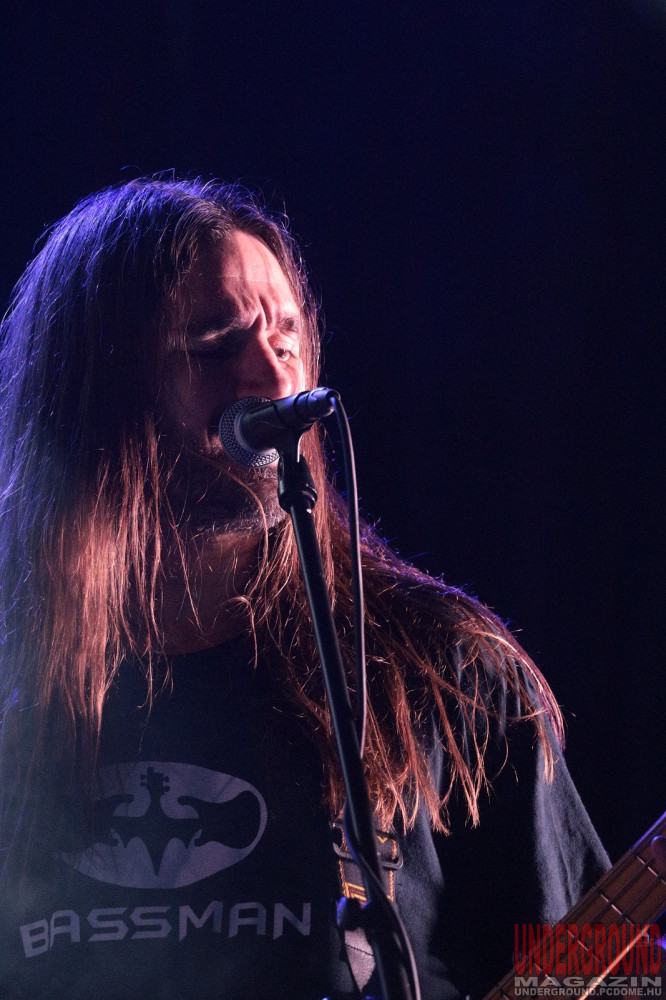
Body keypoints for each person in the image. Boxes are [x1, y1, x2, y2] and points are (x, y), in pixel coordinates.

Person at [0, 177, 609, 1000]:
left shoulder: (444, 671)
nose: (272, 377)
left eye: (286, 338)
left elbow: (601, 970)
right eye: (214, 346)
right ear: (94, 395)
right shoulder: (16, 688)